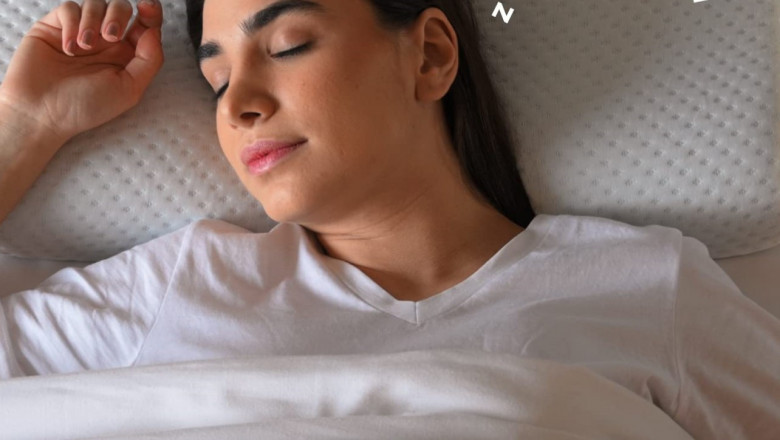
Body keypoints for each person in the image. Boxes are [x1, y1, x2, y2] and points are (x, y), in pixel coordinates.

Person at [0, 0, 777, 439]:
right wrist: (26, 126)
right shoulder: (181, 281)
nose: (239, 106)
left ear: (430, 55)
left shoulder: (648, 287)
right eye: (216, 81)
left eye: (288, 45)